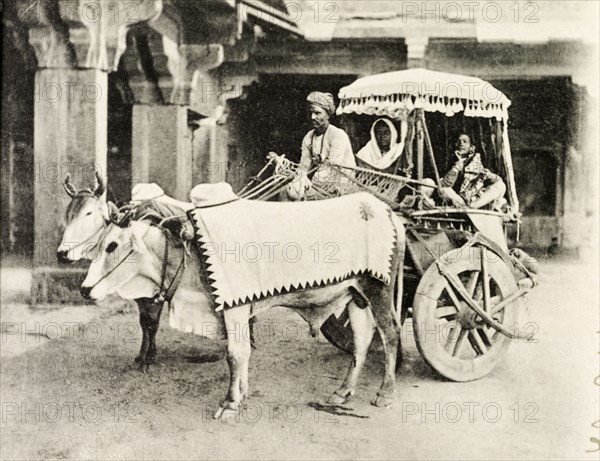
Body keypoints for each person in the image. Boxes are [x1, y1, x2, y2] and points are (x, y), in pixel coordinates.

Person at [295, 91, 355, 196]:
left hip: (342, 184)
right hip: (319, 183)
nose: (313, 117)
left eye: (317, 113)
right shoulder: (308, 137)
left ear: (328, 114)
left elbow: (333, 168)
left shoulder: (338, 135)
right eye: (311, 113)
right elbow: (304, 166)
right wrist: (299, 179)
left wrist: (308, 184)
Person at [439, 133, 506, 209]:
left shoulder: (477, 162)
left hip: (474, 199)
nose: (461, 144)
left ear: (471, 147)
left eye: (465, 142)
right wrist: (458, 165)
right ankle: (465, 207)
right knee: (444, 189)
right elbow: (445, 185)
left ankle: (471, 207)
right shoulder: (450, 161)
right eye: (458, 141)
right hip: (458, 199)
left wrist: (489, 175)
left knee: (500, 185)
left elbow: (497, 181)